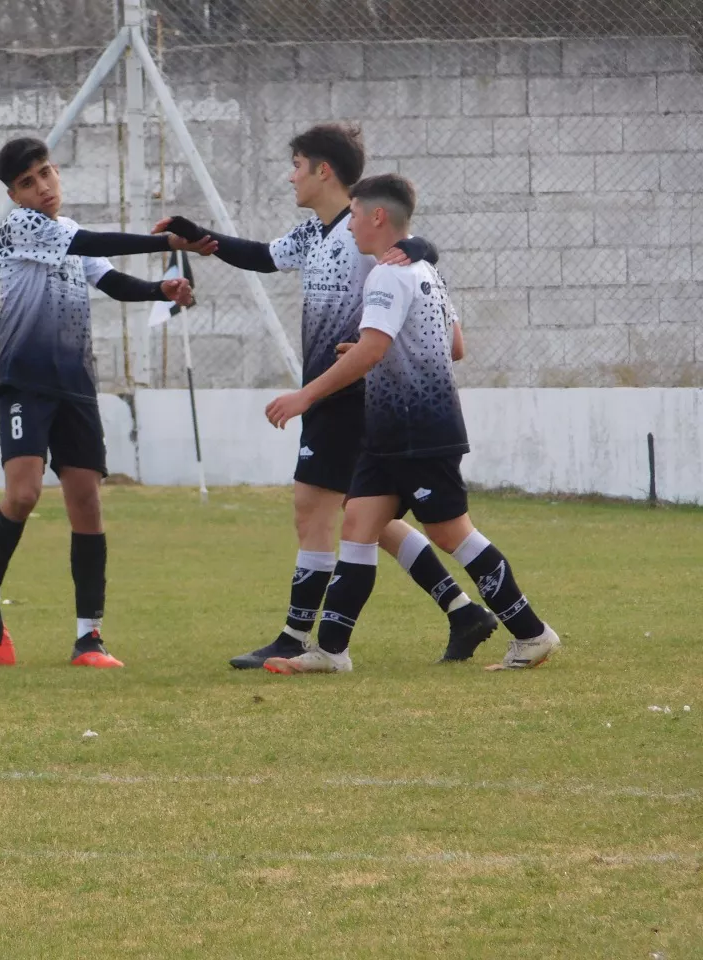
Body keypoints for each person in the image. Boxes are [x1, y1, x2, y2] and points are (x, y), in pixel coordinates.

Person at [155, 123, 498, 667]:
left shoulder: (366, 236)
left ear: (323, 170)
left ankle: (298, 639)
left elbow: (415, 260)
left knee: (314, 508)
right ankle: (462, 611)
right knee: (370, 520)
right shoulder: (313, 234)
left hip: (349, 395)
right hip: (334, 395)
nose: (290, 176)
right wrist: (201, 238)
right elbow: (263, 256)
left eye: (296, 164)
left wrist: (420, 245)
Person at [264, 173, 560, 673]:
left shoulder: (387, 275)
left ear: (377, 217)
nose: (351, 225)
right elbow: (454, 345)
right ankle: (331, 652)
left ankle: (532, 634)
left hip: (417, 429)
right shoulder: (424, 271)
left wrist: (305, 396)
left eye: (355, 215)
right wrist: (372, 350)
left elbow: (376, 350)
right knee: (358, 526)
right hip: (388, 434)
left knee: (452, 535)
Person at [0, 137, 216, 668]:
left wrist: (161, 290)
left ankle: (89, 638)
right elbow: (88, 245)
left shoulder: (68, 232)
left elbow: (110, 281)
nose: (41, 188)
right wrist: (169, 241)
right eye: (27, 183)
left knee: (86, 500)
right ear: (14, 196)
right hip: (26, 381)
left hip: (76, 382)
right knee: (24, 493)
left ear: (56, 172)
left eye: (45, 174)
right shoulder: (21, 227)